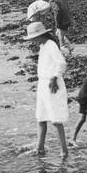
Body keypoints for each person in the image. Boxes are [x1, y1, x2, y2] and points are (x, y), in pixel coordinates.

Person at [30, 21, 69, 159]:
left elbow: (61, 63)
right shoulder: (43, 45)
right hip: (43, 84)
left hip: (52, 84)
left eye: (34, 38)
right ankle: (39, 147)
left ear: (41, 35)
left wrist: (54, 78)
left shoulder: (51, 45)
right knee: (41, 117)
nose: (33, 41)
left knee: (56, 119)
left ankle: (64, 150)